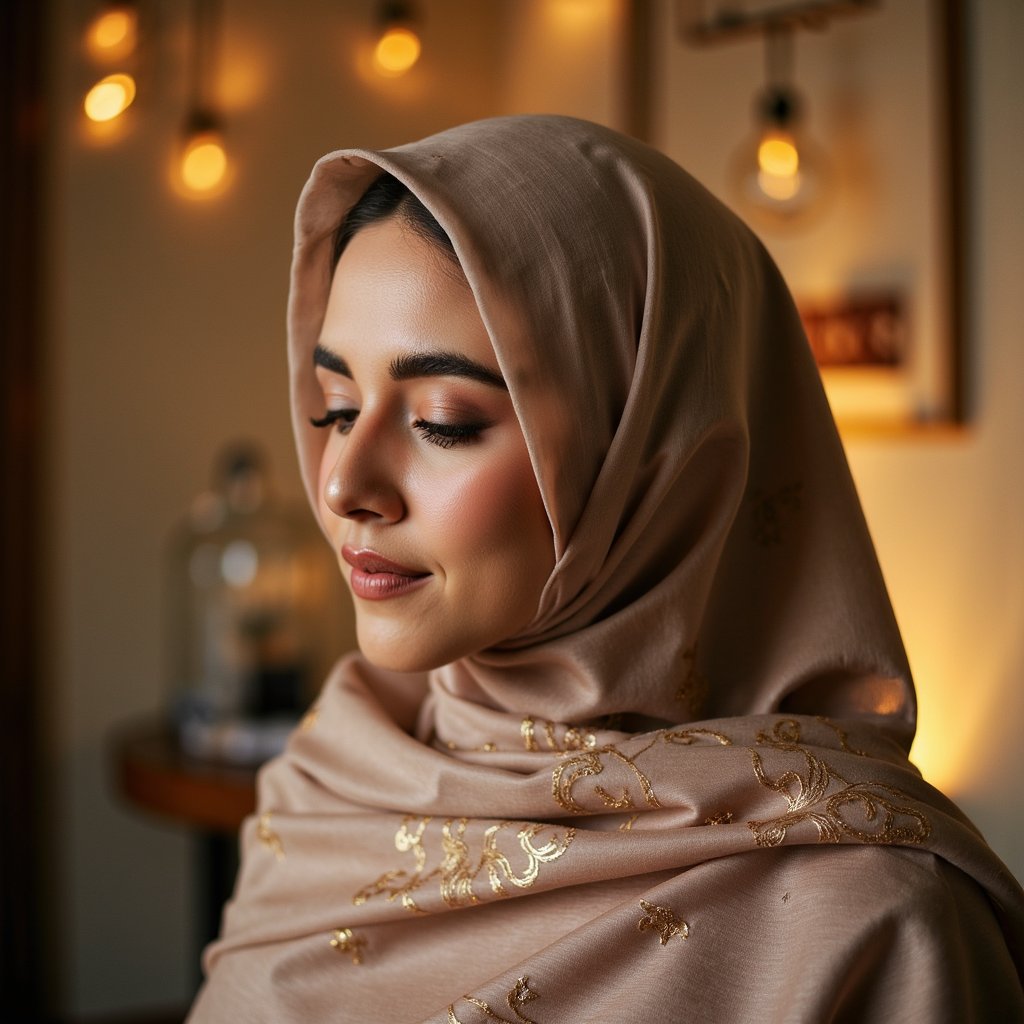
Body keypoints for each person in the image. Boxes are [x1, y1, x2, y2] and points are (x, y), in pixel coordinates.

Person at [187, 115, 1024, 1021]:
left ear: (651, 458)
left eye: (442, 420)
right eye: (337, 407)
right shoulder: (325, 788)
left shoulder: (876, 921)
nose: (345, 482)